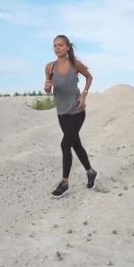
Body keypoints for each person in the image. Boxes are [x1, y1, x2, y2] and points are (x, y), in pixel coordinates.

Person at [44, 34, 97, 198]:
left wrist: (84, 94)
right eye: (55, 45)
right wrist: (46, 87)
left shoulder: (75, 65)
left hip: (77, 111)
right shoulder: (50, 67)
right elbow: (48, 89)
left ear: (67, 47)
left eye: (60, 45)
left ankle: (64, 182)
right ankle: (91, 171)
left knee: (65, 144)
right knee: (76, 144)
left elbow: (89, 77)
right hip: (62, 113)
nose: (57, 48)